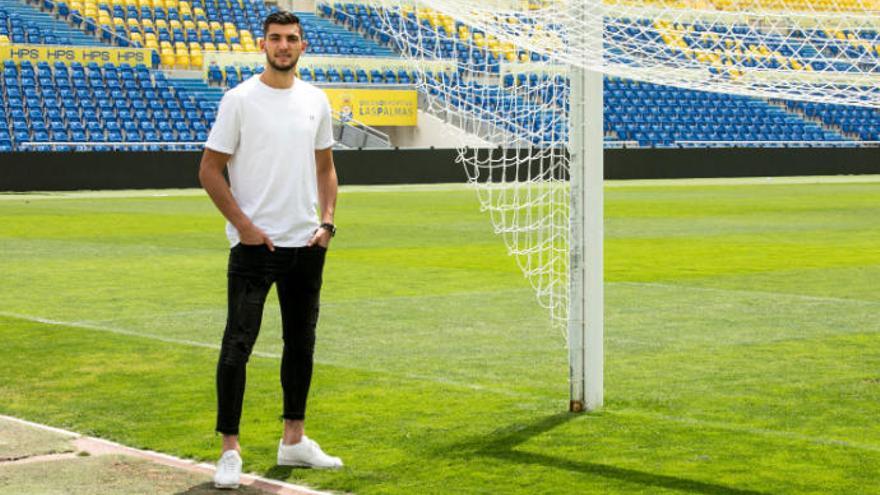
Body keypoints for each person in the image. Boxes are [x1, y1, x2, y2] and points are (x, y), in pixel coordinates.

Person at [198, 10, 342, 490]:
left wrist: (327, 222)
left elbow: (326, 167)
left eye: (291, 39)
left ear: (303, 47)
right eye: (275, 38)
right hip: (255, 247)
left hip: (306, 243)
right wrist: (244, 226)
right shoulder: (239, 100)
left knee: (301, 344)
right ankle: (230, 450)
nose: (283, 45)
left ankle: (294, 440)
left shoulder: (315, 100)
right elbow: (209, 170)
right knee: (237, 346)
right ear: (262, 44)